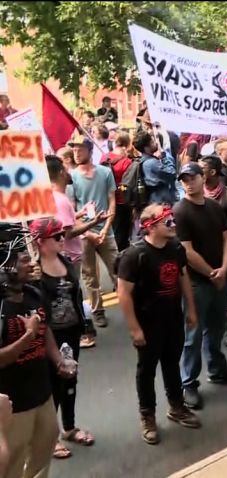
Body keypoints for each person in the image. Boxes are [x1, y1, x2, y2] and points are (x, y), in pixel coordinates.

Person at [117, 204, 201, 445]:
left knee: (171, 363)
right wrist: (135, 328)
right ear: (151, 227)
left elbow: (183, 277)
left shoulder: (175, 248)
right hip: (148, 321)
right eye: (168, 222)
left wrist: (191, 309)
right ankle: (148, 416)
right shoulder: (135, 256)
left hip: (172, 317)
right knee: (146, 370)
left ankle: (176, 406)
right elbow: (123, 293)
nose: (173, 225)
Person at [0, 230, 75, 478]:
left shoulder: (33, 293)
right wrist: (27, 337)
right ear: (6, 268)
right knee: (13, 458)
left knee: (45, 446)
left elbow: (46, 330)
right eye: (23, 260)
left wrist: (58, 360)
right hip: (14, 405)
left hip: (42, 394)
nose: (31, 263)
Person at [173, 163, 227, 411]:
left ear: (202, 178)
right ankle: (188, 383)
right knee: (192, 334)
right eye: (184, 179)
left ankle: (217, 369)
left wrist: (224, 269)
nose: (188, 182)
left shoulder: (214, 207)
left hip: (218, 278)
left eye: (192, 177)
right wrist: (211, 272)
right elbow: (186, 250)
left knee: (215, 329)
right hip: (196, 282)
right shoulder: (180, 211)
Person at [30, 218, 94, 459]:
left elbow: (77, 295)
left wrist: (85, 325)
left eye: (61, 235)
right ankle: (50, 437)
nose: (62, 239)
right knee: (51, 386)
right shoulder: (33, 271)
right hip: (49, 336)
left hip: (71, 330)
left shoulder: (65, 261)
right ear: (41, 242)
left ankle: (69, 427)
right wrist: (30, 281)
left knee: (70, 379)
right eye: (56, 236)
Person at [46, 155, 105, 349]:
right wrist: (94, 222)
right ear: (61, 172)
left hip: (68, 255)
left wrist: (81, 214)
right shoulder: (61, 200)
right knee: (73, 294)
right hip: (69, 256)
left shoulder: (57, 198)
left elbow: (66, 222)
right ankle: (85, 331)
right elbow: (67, 232)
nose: (69, 170)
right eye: (66, 166)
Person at [67, 135, 118, 328]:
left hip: (106, 231)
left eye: (80, 148)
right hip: (85, 234)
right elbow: (72, 212)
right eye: (74, 149)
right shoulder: (71, 177)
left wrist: (105, 228)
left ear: (90, 150)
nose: (76, 152)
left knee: (117, 271)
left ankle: (134, 307)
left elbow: (112, 200)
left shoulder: (105, 172)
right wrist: (88, 233)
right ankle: (97, 311)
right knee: (90, 276)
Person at [199, 155, 227, 347]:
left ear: (212, 172)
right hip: (202, 249)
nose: (198, 172)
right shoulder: (196, 193)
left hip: (224, 248)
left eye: (202, 169)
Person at [104, 132, 134, 251]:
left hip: (107, 198)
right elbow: (127, 184)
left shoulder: (104, 157)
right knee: (122, 232)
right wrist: (121, 190)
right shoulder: (127, 162)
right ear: (127, 144)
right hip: (122, 201)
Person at [136, 131, 178, 206]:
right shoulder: (152, 163)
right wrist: (165, 157)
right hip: (162, 201)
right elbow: (172, 173)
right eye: (152, 142)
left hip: (156, 200)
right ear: (146, 148)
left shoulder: (145, 161)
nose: (155, 143)